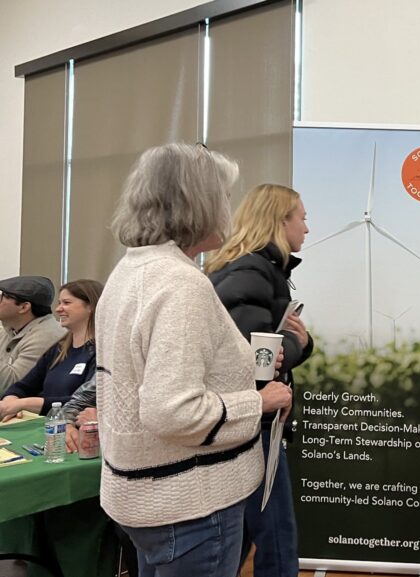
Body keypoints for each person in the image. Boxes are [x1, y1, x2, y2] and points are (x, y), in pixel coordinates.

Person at [96, 142, 293, 577]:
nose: (228, 208)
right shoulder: (181, 285)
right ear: (199, 203)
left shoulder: (128, 273)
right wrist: (261, 401)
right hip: (189, 504)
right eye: (223, 195)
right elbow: (173, 410)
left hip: (145, 500)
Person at [206, 183, 314, 577]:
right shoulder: (255, 272)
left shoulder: (239, 269)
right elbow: (259, 361)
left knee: (243, 536)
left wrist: (300, 341)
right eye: (302, 217)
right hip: (257, 424)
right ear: (279, 221)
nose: (307, 227)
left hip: (242, 422)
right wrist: (299, 342)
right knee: (276, 539)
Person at [0, 279, 102, 422]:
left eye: (66, 303)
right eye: (59, 303)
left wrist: (23, 404)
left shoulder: (102, 353)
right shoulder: (59, 348)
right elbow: (23, 386)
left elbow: (83, 402)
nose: (58, 309)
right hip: (45, 427)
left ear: (90, 306)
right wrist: (11, 401)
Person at [0, 275, 65, 390]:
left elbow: (11, 386)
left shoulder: (46, 336)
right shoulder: (10, 329)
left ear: (24, 307)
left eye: (4, 296)